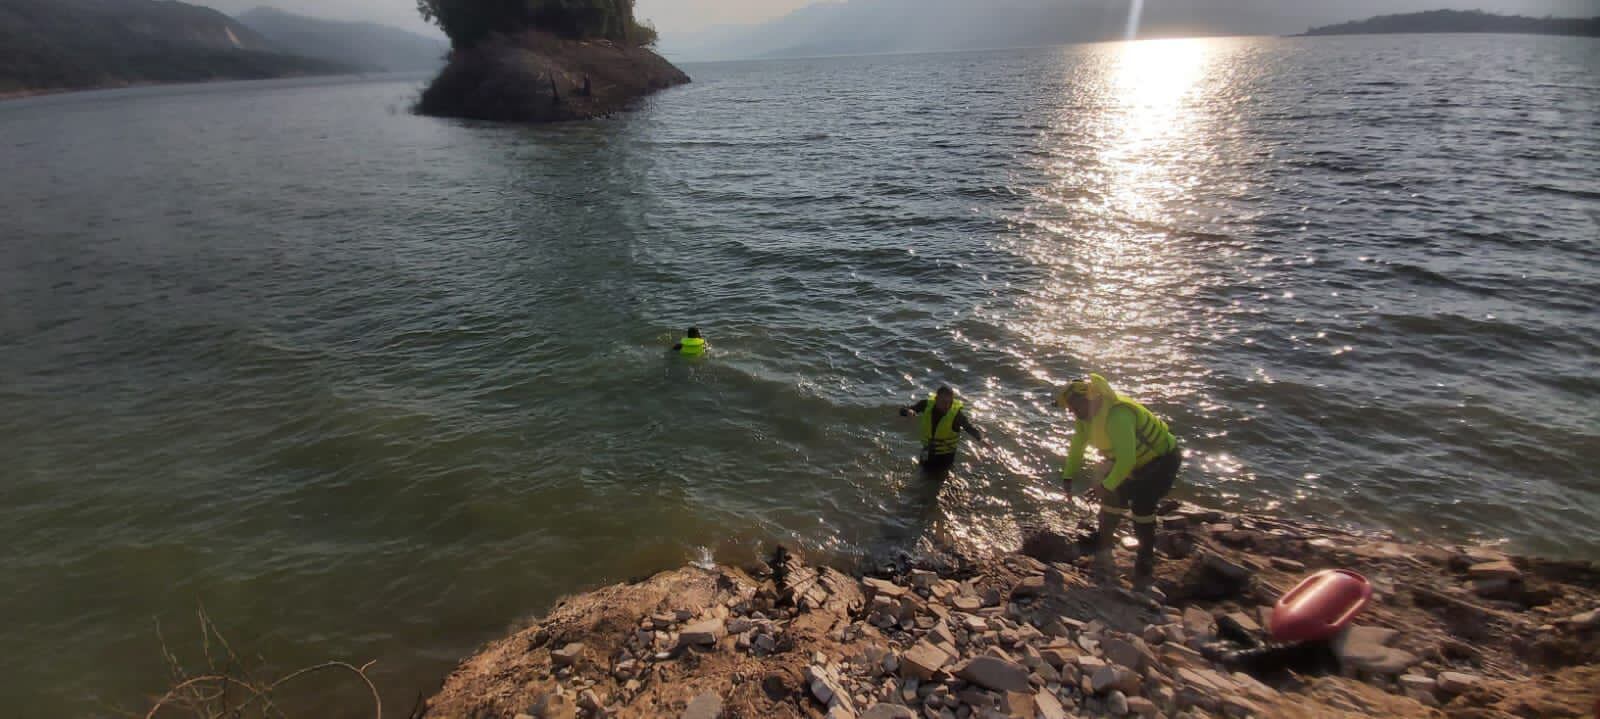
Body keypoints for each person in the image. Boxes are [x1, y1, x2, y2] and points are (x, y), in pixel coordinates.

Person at [1058, 373, 1181, 592]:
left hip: (1160, 463)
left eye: (1073, 405)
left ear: (1090, 399)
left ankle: (1145, 558)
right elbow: (1077, 447)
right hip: (1130, 465)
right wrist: (1068, 476)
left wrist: (1105, 485)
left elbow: (1126, 460)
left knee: (1142, 508)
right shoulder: (1084, 420)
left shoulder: (1117, 415)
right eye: (1069, 407)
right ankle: (1104, 544)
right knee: (1111, 501)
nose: (1071, 411)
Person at [900, 386, 986, 477]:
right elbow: (902, 410)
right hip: (927, 453)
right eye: (944, 402)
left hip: (945, 457)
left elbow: (969, 428)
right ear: (936, 399)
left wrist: (981, 438)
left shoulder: (956, 415)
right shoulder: (926, 405)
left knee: (940, 482)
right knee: (921, 478)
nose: (947, 406)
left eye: (950, 402)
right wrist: (908, 411)